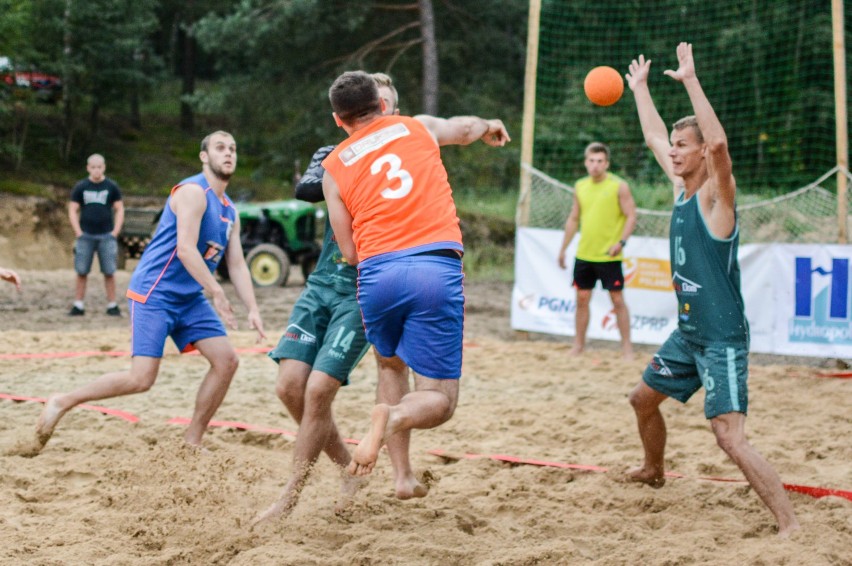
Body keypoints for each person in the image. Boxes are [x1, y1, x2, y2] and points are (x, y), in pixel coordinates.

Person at [624, 43, 799, 537]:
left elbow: (719, 147)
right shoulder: (681, 188)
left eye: (684, 146)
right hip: (689, 333)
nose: (673, 151)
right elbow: (655, 135)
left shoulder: (716, 197)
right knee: (641, 399)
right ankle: (654, 469)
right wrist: (640, 90)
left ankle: (789, 524)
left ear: (701, 152)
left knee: (729, 437)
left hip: (722, 336)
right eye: (675, 146)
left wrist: (691, 80)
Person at [321, 70, 510, 484]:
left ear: (339, 120)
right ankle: (392, 417)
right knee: (440, 400)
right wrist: (488, 126)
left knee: (390, 368)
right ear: (382, 104)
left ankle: (402, 476)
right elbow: (464, 127)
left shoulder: (333, 168)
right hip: (432, 268)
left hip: (376, 277)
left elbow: (348, 251)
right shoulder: (417, 127)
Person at [252, 73, 424, 526]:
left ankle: (288, 499)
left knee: (321, 390)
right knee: (290, 388)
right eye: (372, 109)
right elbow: (306, 190)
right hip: (323, 281)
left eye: (386, 107)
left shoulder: (410, 153)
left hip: (368, 288)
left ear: (393, 113)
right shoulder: (339, 157)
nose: (377, 119)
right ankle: (349, 468)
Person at [31, 131, 266, 454]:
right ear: (204, 156)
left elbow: (237, 264)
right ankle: (62, 401)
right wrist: (216, 291)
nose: (229, 154)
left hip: (189, 297)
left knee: (226, 361)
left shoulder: (229, 210)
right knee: (141, 379)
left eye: (233, 149)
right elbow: (185, 249)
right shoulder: (193, 192)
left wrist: (252, 308)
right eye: (220, 148)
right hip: (155, 292)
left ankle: (191, 442)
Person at [558, 142, 637, 360]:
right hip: (584, 254)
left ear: (607, 163)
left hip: (609, 255)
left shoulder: (618, 186)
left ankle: (627, 349)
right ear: (586, 162)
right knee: (581, 299)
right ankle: (579, 346)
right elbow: (574, 218)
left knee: (617, 300)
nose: (595, 165)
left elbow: (631, 215)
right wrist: (563, 249)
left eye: (600, 161)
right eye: (591, 161)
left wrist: (620, 243)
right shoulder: (580, 185)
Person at [68, 154, 125, 316]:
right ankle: (78, 304)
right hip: (85, 235)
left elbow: (119, 208)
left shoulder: (111, 186)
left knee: (109, 271)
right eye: (93, 167)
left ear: (104, 167)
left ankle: (112, 304)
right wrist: (77, 231)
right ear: (88, 168)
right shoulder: (81, 187)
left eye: (99, 167)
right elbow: (72, 209)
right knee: (81, 271)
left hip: (106, 235)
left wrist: (115, 231)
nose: (96, 170)